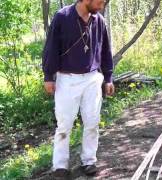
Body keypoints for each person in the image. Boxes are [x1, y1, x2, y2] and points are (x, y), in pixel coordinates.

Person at [41, 0, 114, 178]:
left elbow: (105, 51)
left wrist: (108, 78)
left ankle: (89, 160)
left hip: (92, 79)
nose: (102, 6)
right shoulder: (62, 17)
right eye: (99, 2)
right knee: (64, 125)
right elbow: (50, 48)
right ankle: (60, 166)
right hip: (67, 79)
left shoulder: (99, 21)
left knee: (92, 122)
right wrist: (48, 76)